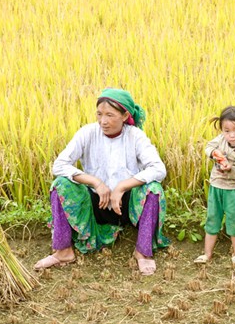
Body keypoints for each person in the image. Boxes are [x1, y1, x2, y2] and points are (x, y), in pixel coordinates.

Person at [34, 88, 169, 276]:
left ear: (125, 116)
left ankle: (143, 252)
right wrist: (96, 182)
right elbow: (59, 165)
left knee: (153, 189)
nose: (103, 121)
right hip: (96, 203)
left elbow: (158, 169)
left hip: (125, 206)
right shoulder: (87, 133)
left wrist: (122, 186)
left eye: (110, 115)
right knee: (60, 184)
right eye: (99, 114)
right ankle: (63, 251)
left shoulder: (135, 136)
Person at [194, 106, 235, 267]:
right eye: (226, 130)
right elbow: (209, 147)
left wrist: (231, 168)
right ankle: (207, 253)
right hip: (216, 187)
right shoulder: (220, 140)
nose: (231, 135)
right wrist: (215, 154)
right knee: (212, 219)